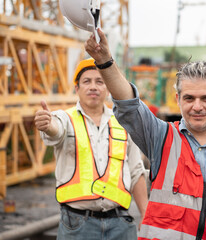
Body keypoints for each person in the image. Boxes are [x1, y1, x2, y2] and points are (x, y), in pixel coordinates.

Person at [84, 28, 206, 239]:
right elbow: (130, 106)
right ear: (177, 99)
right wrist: (104, 61)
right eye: (189, 98)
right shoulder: (161, 137)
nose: (197, 107)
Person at [34, 58, 148, 240]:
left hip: (121, 223)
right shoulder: (65, 118)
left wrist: (145, 214)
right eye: (87, 81)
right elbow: (55, 130)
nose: (93, 87)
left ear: (108, 88)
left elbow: (136, 171)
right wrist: (47, 126)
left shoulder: (123, 123)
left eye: (99, 81)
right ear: (77, 88)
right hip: (77, 224)